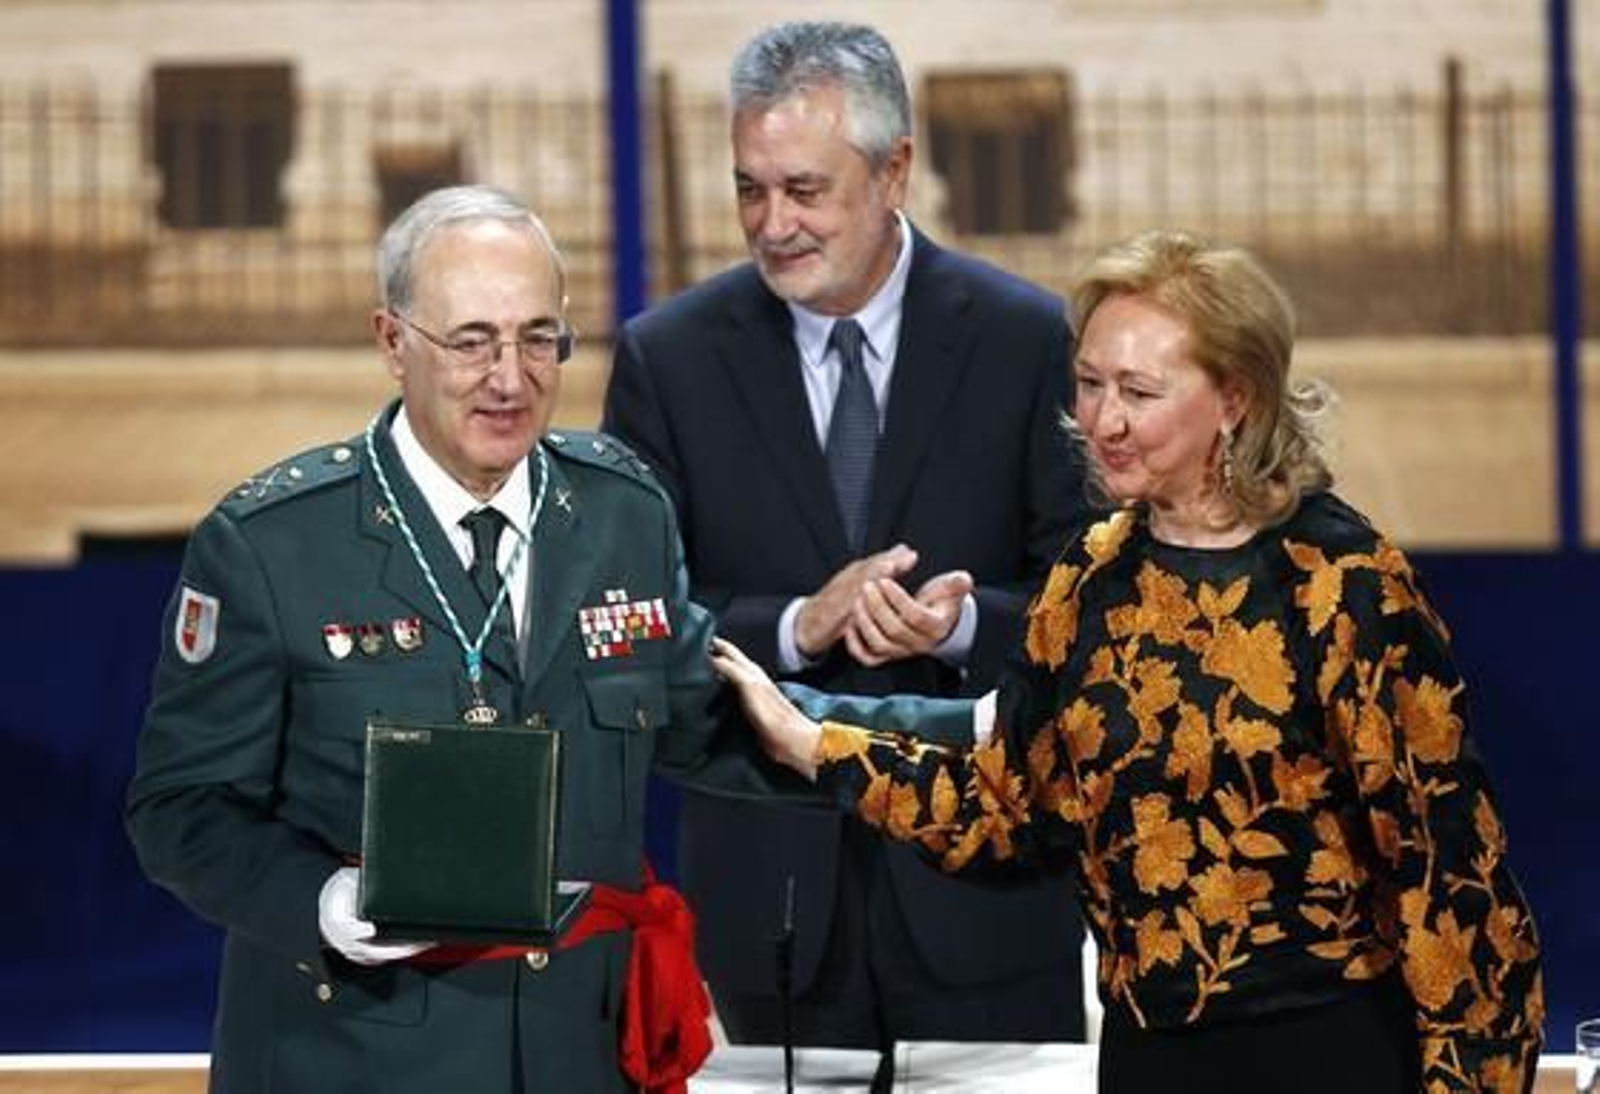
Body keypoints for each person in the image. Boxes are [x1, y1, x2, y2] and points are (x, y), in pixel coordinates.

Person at [710, 228, 1546, 1093]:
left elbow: (1450, 881)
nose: (1103, 421)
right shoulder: (1089, 580)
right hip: (1150, 1061)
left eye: (1139, 391)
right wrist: (810, 740)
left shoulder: (1342, 583)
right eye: (1090, 382)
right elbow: (1010, 809)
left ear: (1235, 398)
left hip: (1326, 1055)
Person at [125, 184, 772, 1093]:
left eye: (539, 337)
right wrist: (320, 901)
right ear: (392, 341)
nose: (510, 377)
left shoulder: (623, 511)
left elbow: (715, 723)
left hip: (571, 1059)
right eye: (471, 341)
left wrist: (928, 746)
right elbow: (179, 811)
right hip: (351, 1057)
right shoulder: (273, 545)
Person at [605, 20, 1087, 1050]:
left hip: (990, 892)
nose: (770, 223)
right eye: (749, 188)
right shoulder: (669, 359)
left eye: (803, 189)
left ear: (895, 170)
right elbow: (631, 621)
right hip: (771, 914)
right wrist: (791, 625)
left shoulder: (1026, 338)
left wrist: (956, 630)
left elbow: (1091, 605)